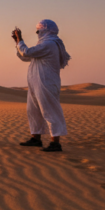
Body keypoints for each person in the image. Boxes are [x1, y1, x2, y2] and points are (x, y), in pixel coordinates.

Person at [12, 19, 71, 152]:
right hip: (36, 83)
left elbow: (26, 52)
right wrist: (17, 42)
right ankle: (36, 138)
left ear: (45, 31)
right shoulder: (44, 45)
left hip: (46, 83)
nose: (38, 34)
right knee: (33, 111)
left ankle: (55, 143)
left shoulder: (49, 44)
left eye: (39, 31)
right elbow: (25, 56)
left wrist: (20, 39)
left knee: (49, 111)